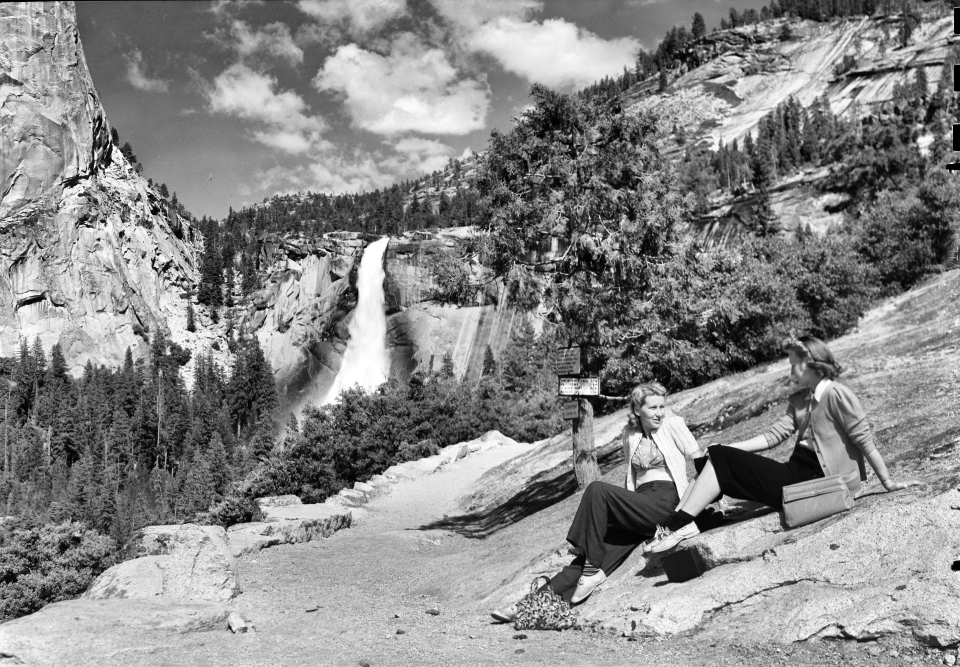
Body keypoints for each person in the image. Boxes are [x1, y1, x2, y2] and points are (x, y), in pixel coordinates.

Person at [645, 335, 923, 554]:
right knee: (716, 457)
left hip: (820, 483)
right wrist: (726, 447)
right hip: (796, 475)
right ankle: (695, 520)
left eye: (793, 364)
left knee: (720, 458)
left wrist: (888, 482)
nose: (790, 370)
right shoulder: (802, 399)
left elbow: (864, 440)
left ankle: (676, 526)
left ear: (811, 362)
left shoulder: (839, 395)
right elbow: (772, 437)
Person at [491, 381, 704, 622]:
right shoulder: (630, 435)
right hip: (639, 506)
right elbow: (632, 479)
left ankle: (590, 562)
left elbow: (701, 463)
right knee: (590, 555)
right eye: (653, 408)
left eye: (662, 406)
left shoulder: (673, 424)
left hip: (666, 503)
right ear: (637, 410)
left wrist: (705, 504)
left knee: (596, 489)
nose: (659, 413)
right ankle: (528, 605)